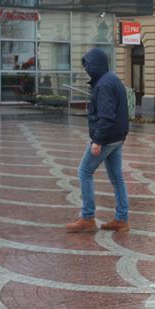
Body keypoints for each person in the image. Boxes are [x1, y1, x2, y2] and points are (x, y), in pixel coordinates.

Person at [66, 48, 130, 234]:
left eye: (88, 65)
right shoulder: (112, 79)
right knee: (117, 178)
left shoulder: (104, 84)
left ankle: (87, 217)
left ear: (96, 65)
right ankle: (121, 219)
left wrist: (98, 141)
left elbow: (107, 116)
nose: (86, 69)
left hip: (107, 138)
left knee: (84, 171)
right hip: (117, 137)